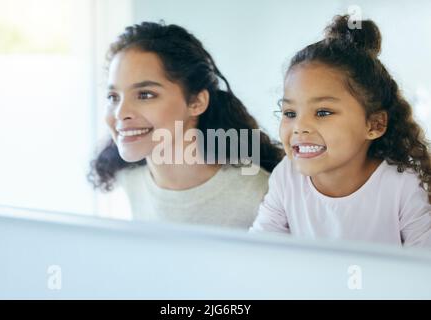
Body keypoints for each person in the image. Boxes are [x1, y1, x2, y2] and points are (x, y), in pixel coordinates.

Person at [251, 15, 431, 246]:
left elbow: (423, 267)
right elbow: (260, 252)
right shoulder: (286, 177)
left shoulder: (402, 185)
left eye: (323, 112)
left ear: (374, 125)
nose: (299, 127)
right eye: (290, 113)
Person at [88, 22, 284, 229]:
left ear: (196, 102)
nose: (121, 113)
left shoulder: (258, 195)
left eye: (145, 94)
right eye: (113, 97)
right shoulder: (126, 183)